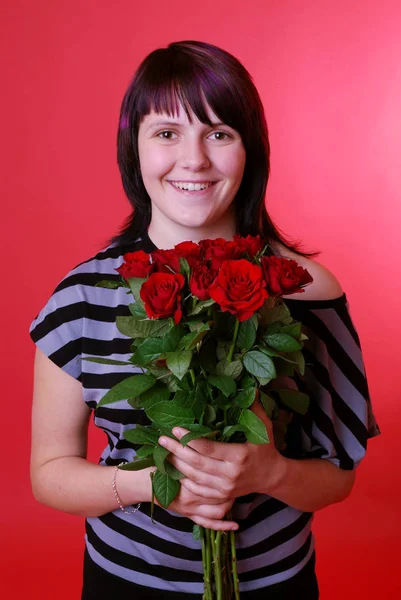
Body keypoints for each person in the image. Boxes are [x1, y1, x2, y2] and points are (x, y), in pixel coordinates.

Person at [29, 40, 380, 599]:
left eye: (220, 133)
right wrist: (155, 485)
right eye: (166, 132)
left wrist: (270, 473)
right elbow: (48, 473)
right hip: (127, 581)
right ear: (134, 149)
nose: (194, 159)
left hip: (275, 583)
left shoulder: (306, 290)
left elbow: (339, 476)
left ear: (251, 151)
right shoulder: (82, 296)